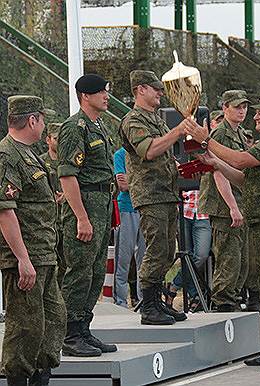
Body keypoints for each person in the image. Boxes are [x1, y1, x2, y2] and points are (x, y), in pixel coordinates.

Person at [182, 93, 260, 371]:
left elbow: (242, 160)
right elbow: (244, 179)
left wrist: (207, 139)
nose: (255, 116)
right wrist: (218, 164)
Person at [0, 96, 67, 385]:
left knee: (52, 322)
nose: (43, 124)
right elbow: (5, 212)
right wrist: (23, 259)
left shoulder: (30, 154)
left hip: (45, 254)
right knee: (25, 329)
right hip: (26, 258)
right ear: (32, 120)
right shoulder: (8, 156)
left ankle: (42, 378)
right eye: (41, 119)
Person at [119, 70, 187, 325]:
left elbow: (162, 153)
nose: (160, 93)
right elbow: (148, 150)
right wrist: (177, 131)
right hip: (151, 194)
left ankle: (156, 300)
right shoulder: (133, 120)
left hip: (166, 192)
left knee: (168, 251)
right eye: (155, 88)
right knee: (157, 249)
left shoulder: (155, 119)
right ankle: (148, 306)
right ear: (140, 90)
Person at [57, 74, 117, 356]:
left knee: (95, 271)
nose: (106, 96)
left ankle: (83, 327)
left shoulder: (98, 125)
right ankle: (69, 333)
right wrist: (81, 216)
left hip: (102, 201)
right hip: (86, 202)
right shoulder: (74, 127)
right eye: (100, 92)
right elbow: (68, 177)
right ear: (85, 96)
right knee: (79, 270)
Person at [199, 89, 251, 312]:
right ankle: (223, 302)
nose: (242, 111)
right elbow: (218, 172)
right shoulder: (220, 135)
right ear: (225, 108)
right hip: (224, 206)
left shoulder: (238, 133)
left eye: (244, 107)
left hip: (239, 202)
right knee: (229, 258)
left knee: (241, 259)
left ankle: (232, 297)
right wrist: (232, 207)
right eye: (237, 106)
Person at [113, 146, 145, 308]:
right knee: (123, 258)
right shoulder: (120, 154)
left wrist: (131, 179)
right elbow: (123, 186)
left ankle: (143, 299)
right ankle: (120, 301)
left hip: (146, 208)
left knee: (145, 259)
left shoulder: (146, 151)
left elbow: (128, 182)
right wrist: (145, 182)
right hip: (126, 208)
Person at [40, 122, 66, 287]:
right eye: (56, 138)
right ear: (48, 140)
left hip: (66, 219)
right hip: (48, 220)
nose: (59, 142)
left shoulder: (69, 160)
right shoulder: (40, 162)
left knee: (66, 262)